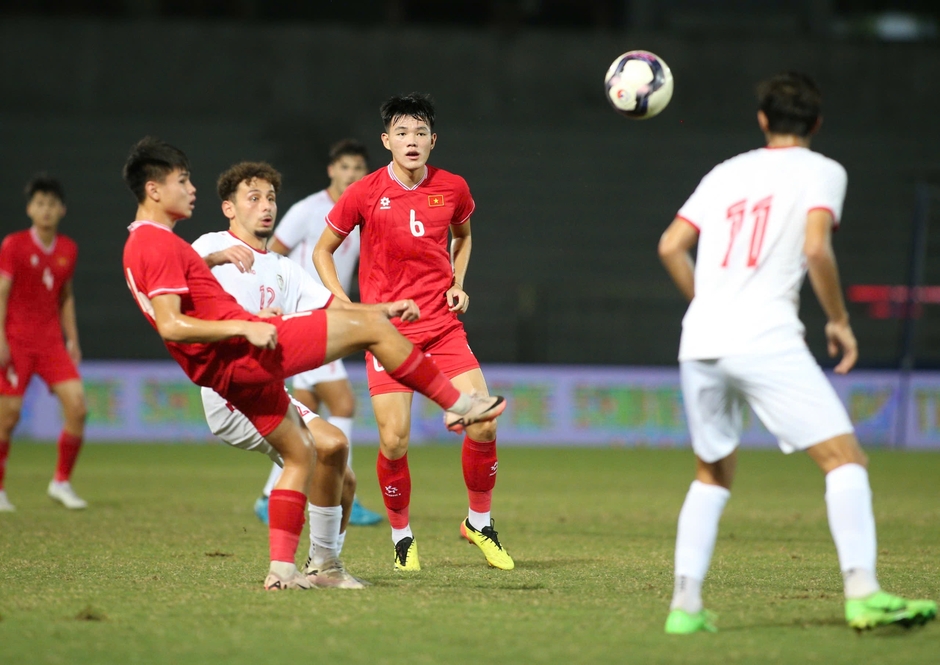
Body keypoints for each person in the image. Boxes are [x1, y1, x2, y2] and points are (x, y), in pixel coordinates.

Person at [121, 136, 504, 590]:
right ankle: (456, 402)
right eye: (182, 181)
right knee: (377, 337)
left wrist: (378, 309)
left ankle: (293, 570)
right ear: (154, 189)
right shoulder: (160, 244)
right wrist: (243, 327)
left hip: (239, 372)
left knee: (319, 452)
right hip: (243, 357)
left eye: (270, 198)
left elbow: (321, 306)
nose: (191, 189)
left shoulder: (170, 246)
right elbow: (170, 324)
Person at [657, 72, 937, 633]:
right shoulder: (823, 170)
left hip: (701, 340)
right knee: (845, 460)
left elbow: (670, 245)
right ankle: (863, 592)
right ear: (816, 123)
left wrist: (710, 303)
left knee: (711, 475)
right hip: (765, 336)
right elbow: (816, 247)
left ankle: (684, 610)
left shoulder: (725, 172)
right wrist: (839, 321)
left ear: (762, 119)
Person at [314, 93, 513, 572]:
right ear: (386, 141)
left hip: (443, 330)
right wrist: (344, 302)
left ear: (432, 140)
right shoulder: (363, 192)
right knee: (395, 441)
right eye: (401, 133)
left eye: (420, 133)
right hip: (388, 334)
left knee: (483, 420)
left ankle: (479, 523)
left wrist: (458, 283)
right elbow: (324, 250)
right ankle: (402, 536)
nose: (411, 141)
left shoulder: (453, 188)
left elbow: (463, 237)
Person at [192, 161, 367, 588]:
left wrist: (383, 316)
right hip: (229, 389)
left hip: (267, 388)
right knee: (319, 447)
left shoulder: (285, 269)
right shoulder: (209, 246)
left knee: (342, 474)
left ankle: (323, 566)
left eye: (270, 197)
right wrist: (248, 319)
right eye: (253, 198)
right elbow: (177, 288)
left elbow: (333, 309)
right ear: (229, 208)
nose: (266, 206)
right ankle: (298, 568)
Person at [252, 139, 382, 528]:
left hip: (327, 316)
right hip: (304, 317)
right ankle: (345, 492)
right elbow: (270, 253)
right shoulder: (308, 211)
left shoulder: (360, 214)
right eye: (345, 167)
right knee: (342, 404)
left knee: (303, 418)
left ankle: (267, 496)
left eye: (358, 168)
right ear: (331, 170)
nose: (352, 175)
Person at [0, 175, 88, 512]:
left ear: (62, 209)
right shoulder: (14, 245)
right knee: (7, 418)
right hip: (17, 342)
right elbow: (2, 293)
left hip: (51, 343)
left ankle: (61, 482)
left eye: (52, 203)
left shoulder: (68, 249)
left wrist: (73, 340)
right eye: (40, 203)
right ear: (29, 209)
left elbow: (65, 297)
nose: (46, 209)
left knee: (78, 407)